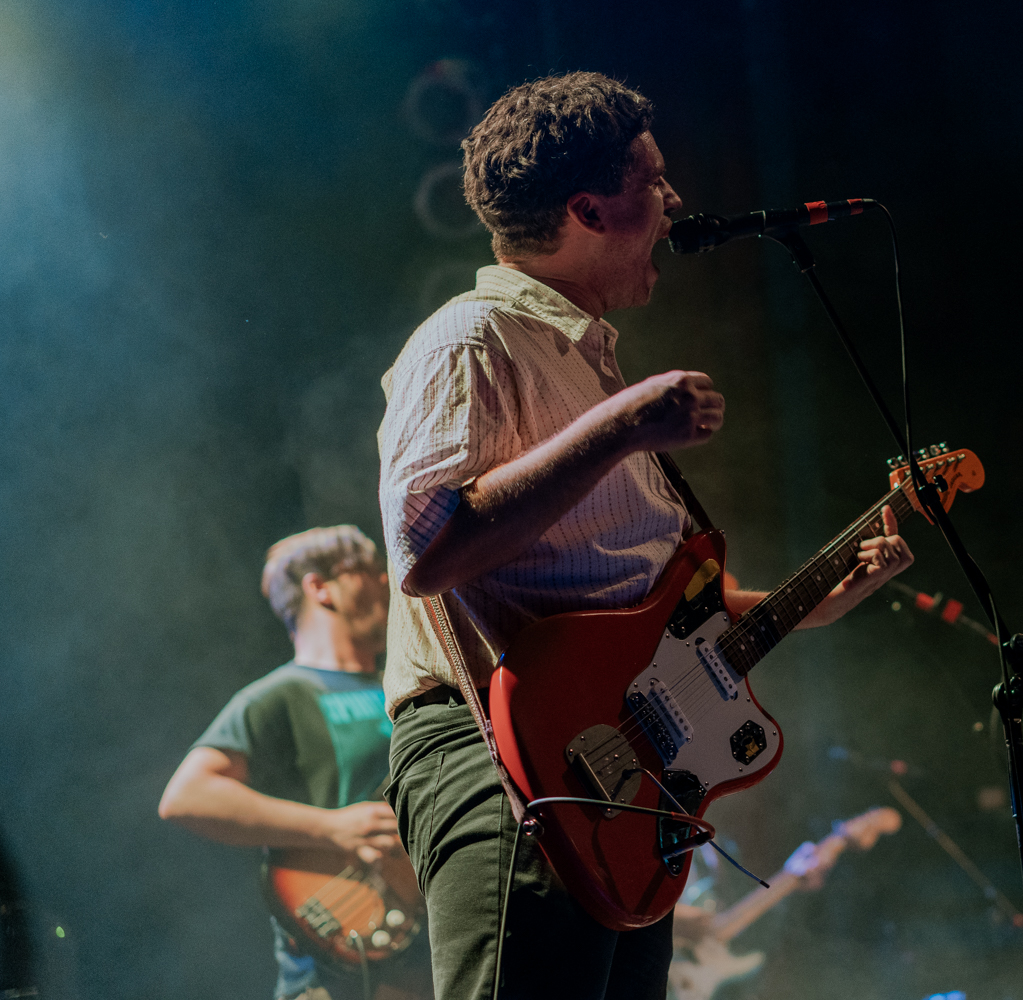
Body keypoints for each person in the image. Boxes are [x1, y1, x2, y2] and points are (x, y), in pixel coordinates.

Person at [377, 71, 913, 1000]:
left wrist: (817, 603)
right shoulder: (471, 339)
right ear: (588, 207)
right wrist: (621, 426)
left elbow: (633, 611)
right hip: (505, 748)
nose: (674, 203)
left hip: (619, 771)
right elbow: (427, 549)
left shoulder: (580, 360)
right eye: (654, 181)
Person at [159, 526, 432, 1000]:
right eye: (366, 570)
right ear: (319, 586)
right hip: (340, 965)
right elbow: (187, 797)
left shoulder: (408, 684)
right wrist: (331, 828)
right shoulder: (278, 695)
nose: (386, 582)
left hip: (424, 954)